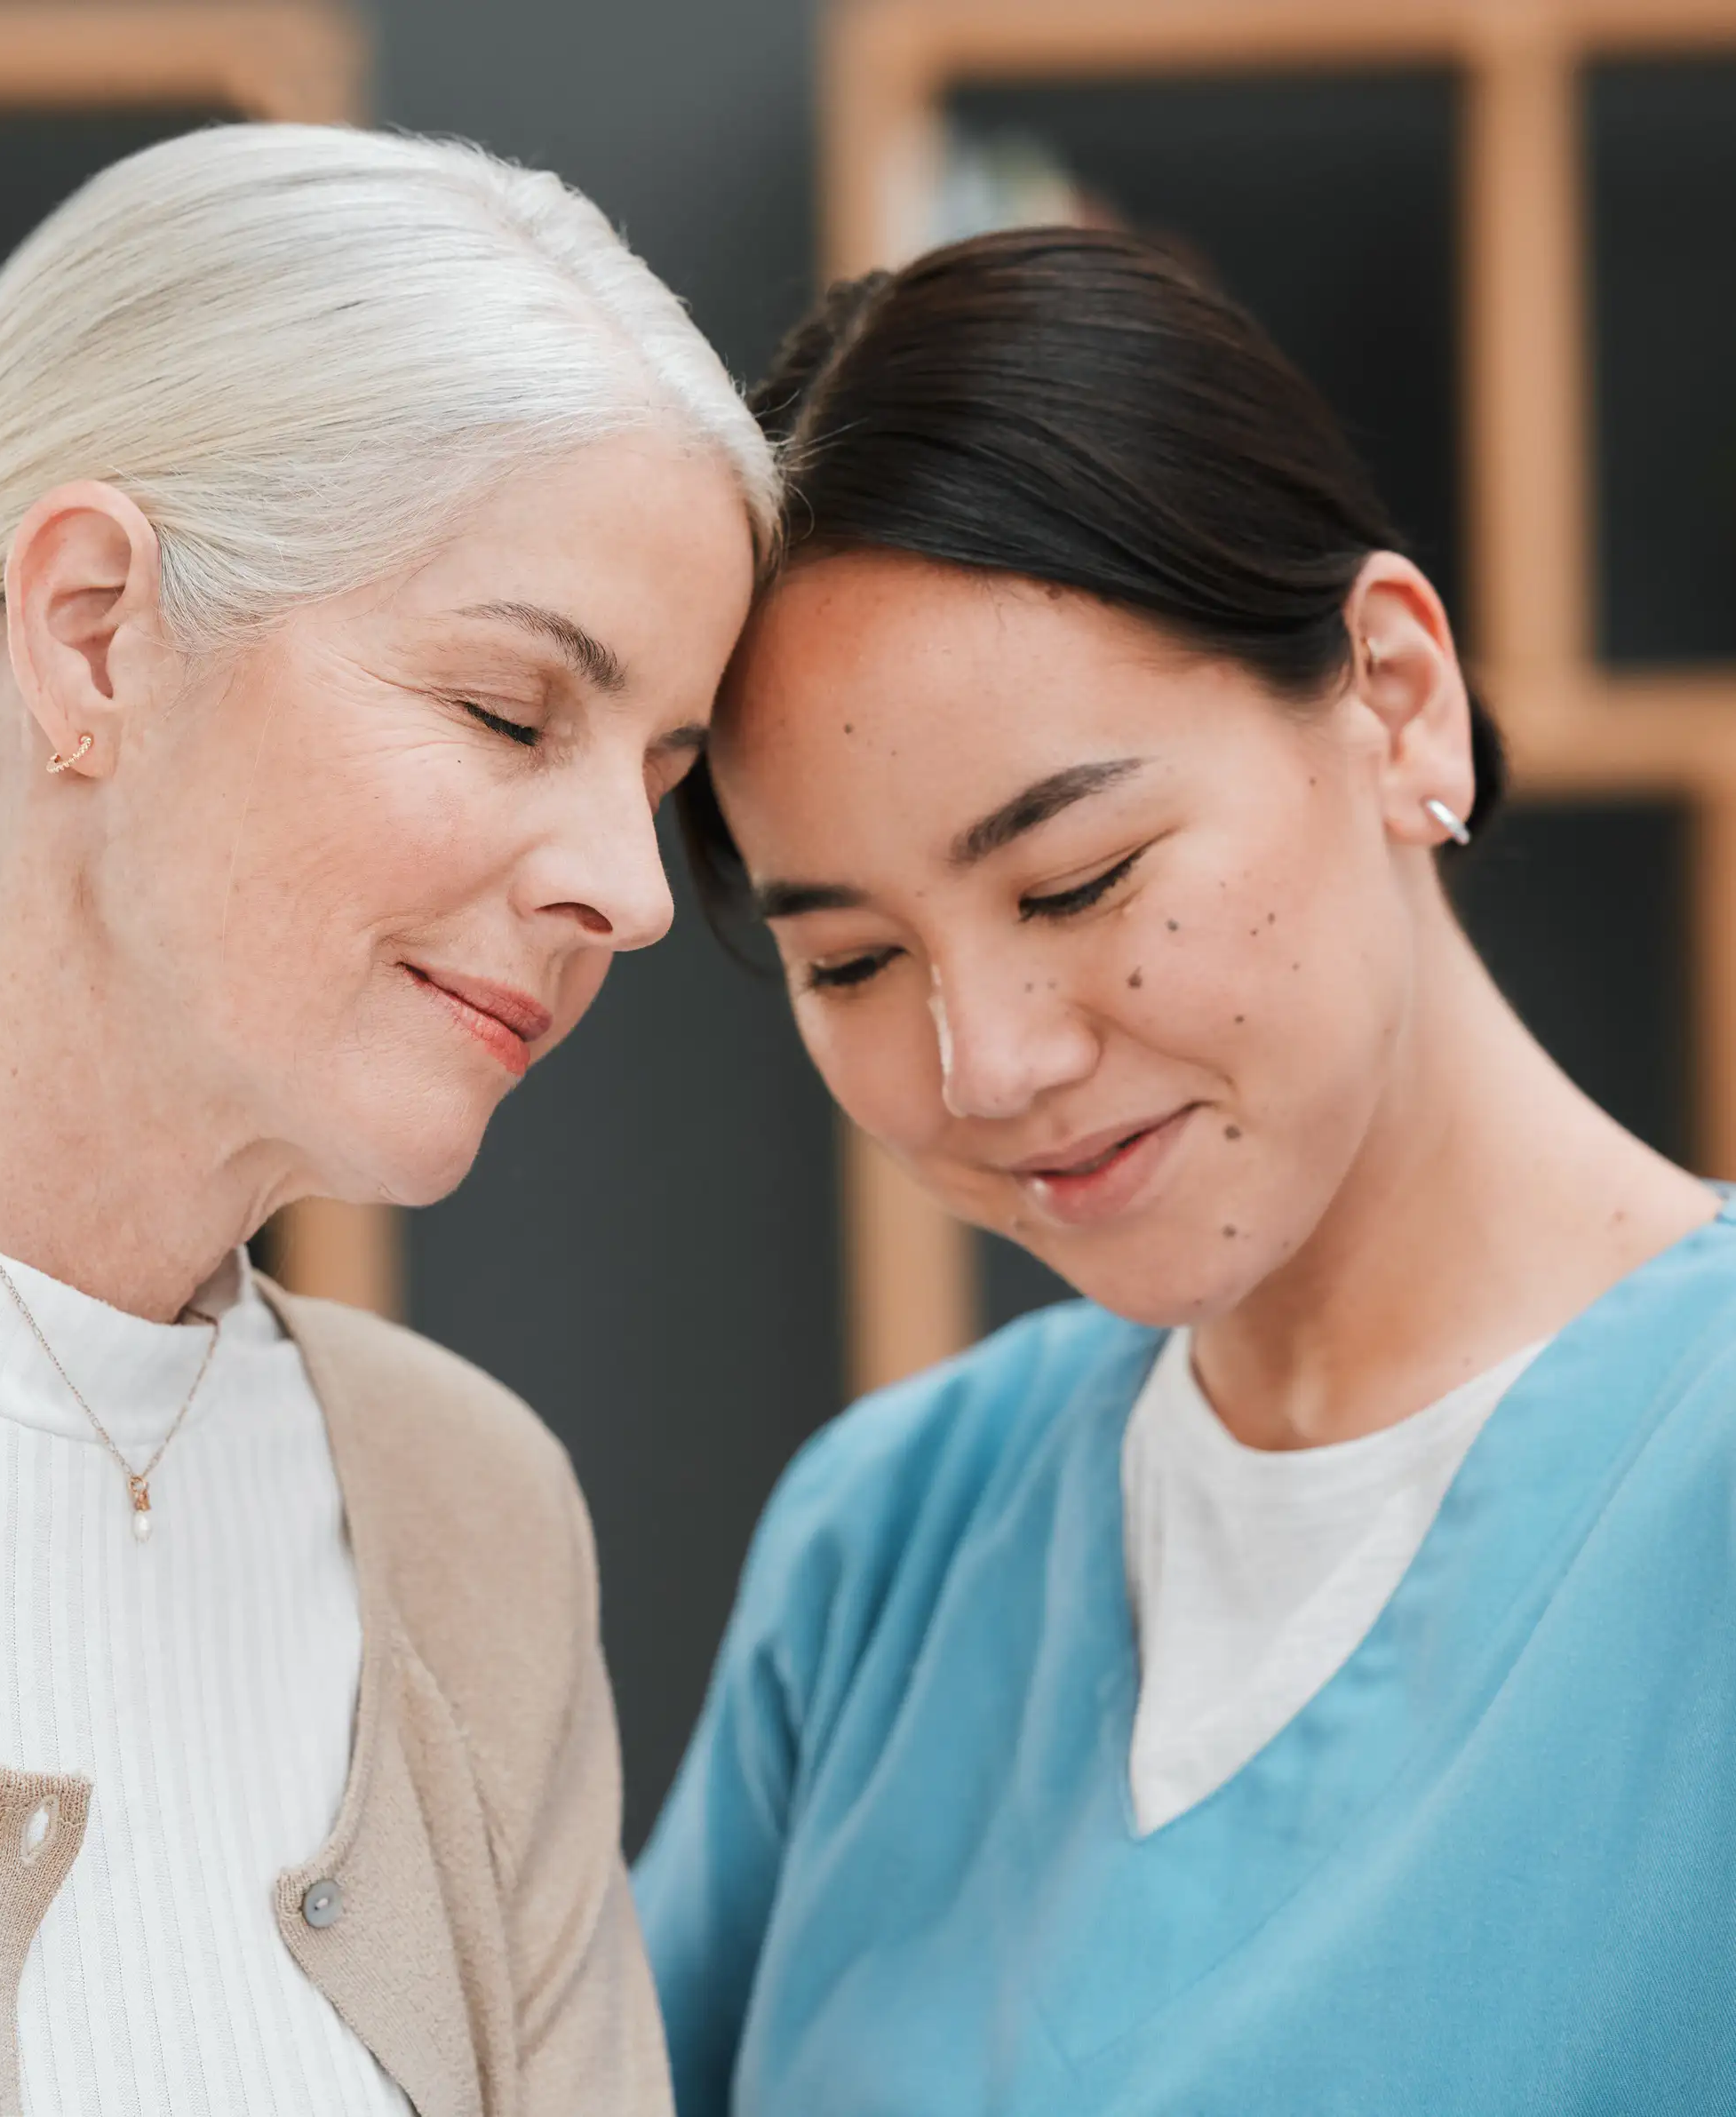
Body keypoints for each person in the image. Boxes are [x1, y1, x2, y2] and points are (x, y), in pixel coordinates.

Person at [0, 123, 771, 2116]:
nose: (625, 886)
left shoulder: (470, 1521)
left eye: (663, 772)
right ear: (93, 632)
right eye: (513, 715)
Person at [637, 227, 1736, 2114]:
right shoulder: (886, 1550)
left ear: (1393, 697)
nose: (986, 1062)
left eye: (1072, 883)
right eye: (851, 963)